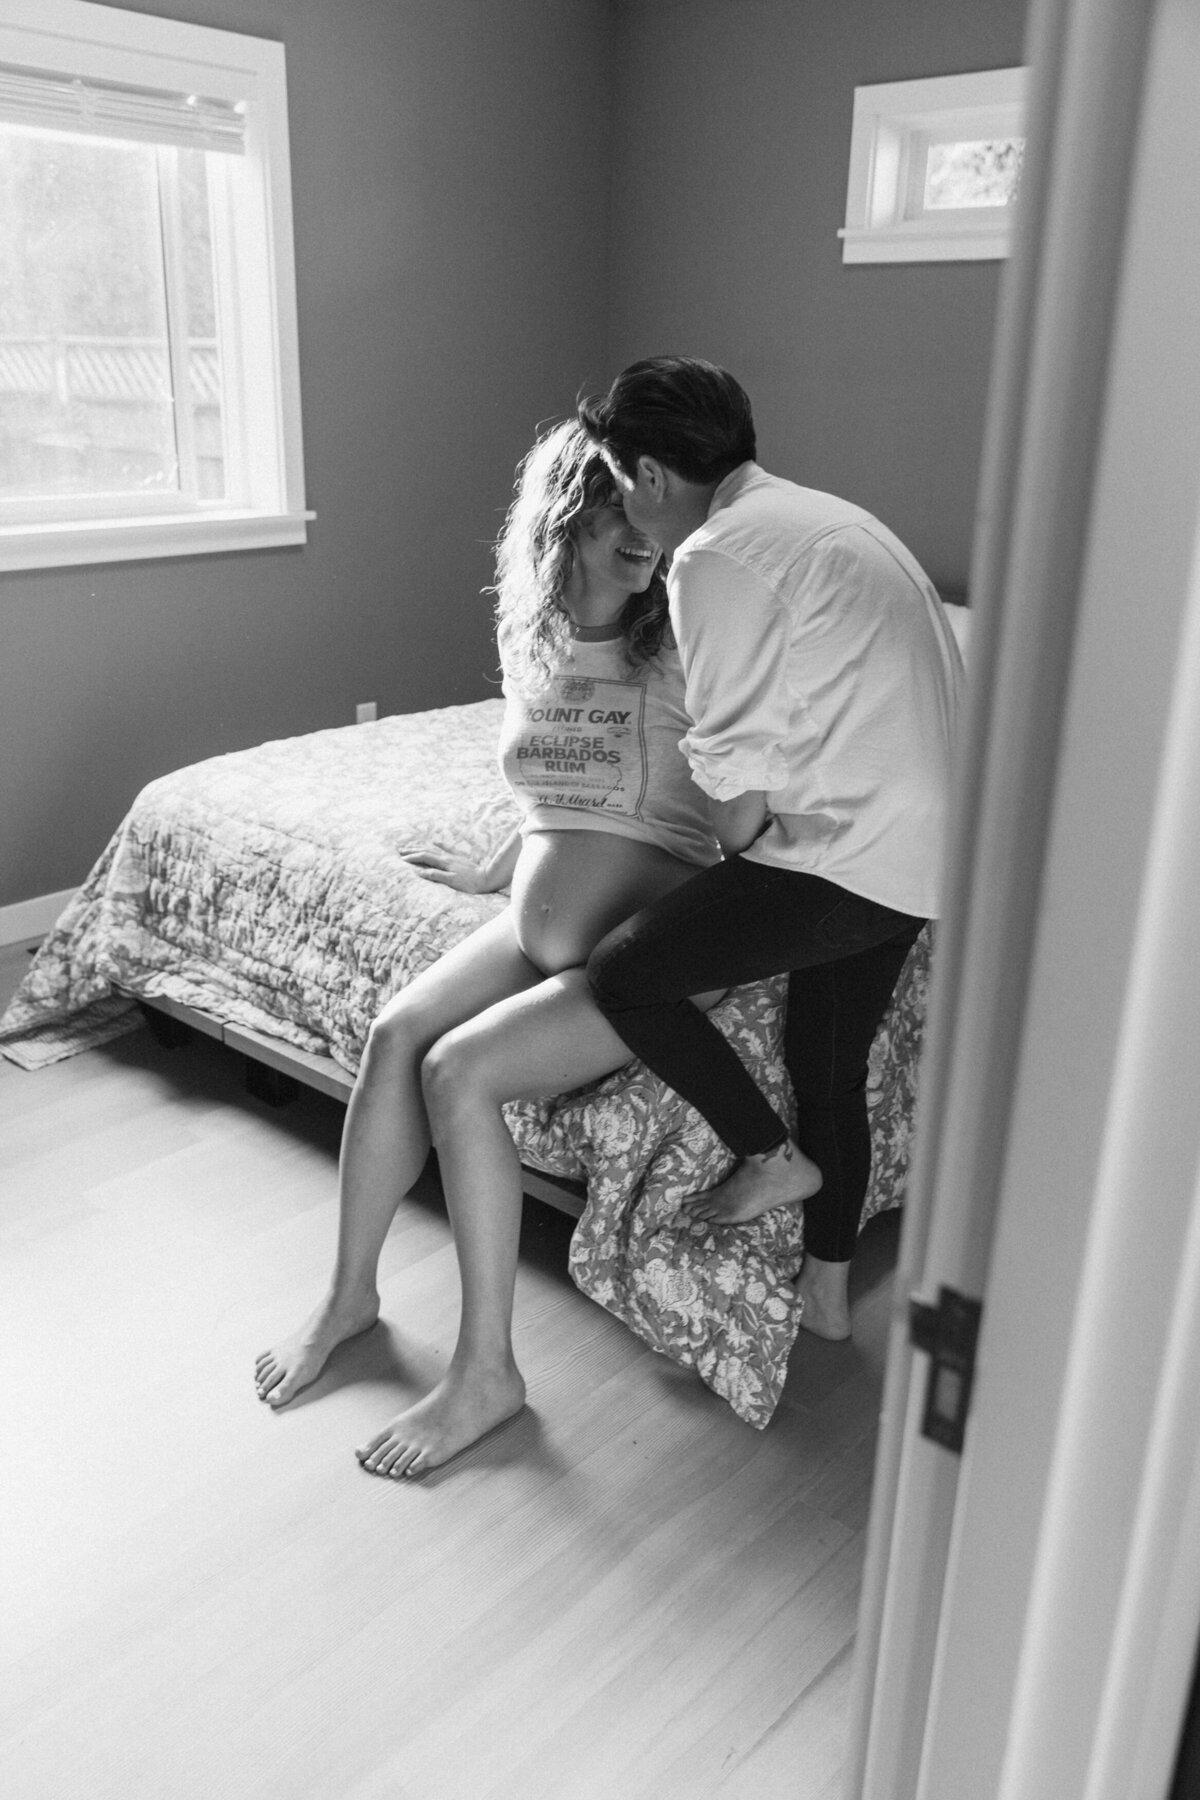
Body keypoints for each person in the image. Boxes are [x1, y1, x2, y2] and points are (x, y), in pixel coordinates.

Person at [254, 421, 720, 1476]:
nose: (644, 532)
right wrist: (493, 866)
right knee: (395, 1031)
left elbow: (731, 790)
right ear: (567, 517)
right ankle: (349, 1296)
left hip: (640, 946)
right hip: (536, 923)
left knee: (458, 1071)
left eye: (653, 509)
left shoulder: (689, 637)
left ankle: (487, 1375)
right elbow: (559, 782)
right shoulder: (539, 638)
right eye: (619, 510)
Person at [579, 357, 964, 1343]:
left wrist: (728, 852)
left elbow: (736, 793)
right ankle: (829, 1300)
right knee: (824, 1065)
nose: (631, 516)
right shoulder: (822, 517)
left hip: (848, 854)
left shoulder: (719, 554)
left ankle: (768, 1156)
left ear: (653, 475)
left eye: (624, 486)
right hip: (924, 855)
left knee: (625, 973)